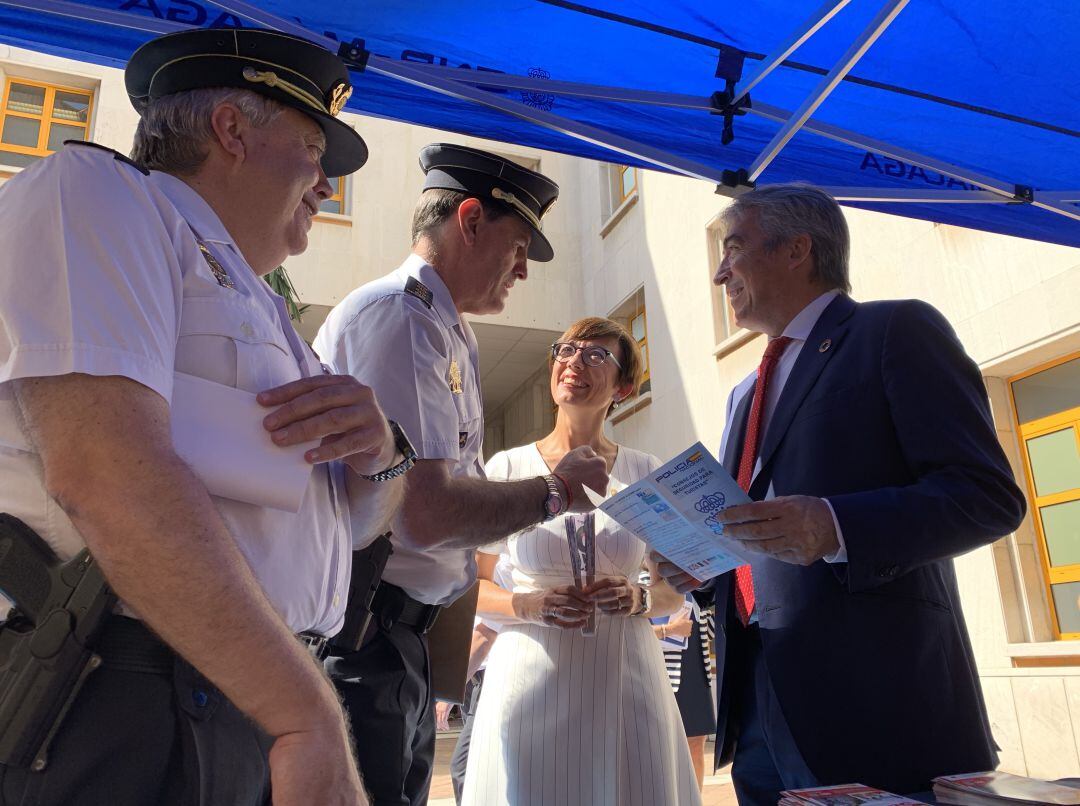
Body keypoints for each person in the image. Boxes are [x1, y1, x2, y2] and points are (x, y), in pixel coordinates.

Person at [0, 28, 399, 806]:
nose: (324, 183)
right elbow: (105, 472)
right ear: (231, 130)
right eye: (313, 148)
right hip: (118, 688)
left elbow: (351, 527)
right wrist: (304, 717)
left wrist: (380, 455)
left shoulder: (272, 310)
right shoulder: (96, 193)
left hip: (242, 693)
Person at [653, 184, 1027, 803]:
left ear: (798, 249)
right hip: (754, 703)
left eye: (734, 249)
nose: (720, 273)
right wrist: (701, 563)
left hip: (877, 702)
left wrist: (835, 525)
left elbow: (987, 496)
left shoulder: (896, 330)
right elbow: (755, 533)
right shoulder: (743, 394)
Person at [314, 144, 609, 806]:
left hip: (400, 640)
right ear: (470, 220)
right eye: (519, 246)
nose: (524, 270)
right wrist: (556, 490)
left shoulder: (444, 328)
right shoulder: (400, 319)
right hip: (366, 639)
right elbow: (426, 511)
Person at [460, 316, 701, 806]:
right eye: (566, 351)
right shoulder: (506, 468)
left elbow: (674, 584)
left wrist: (640, 597)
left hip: (627, 674)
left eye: (595, 355)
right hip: (529, 673)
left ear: (624, 386)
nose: (574, 362)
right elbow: (472, 586)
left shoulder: (646, 472)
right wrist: (530, 605)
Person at [652, 592, 716, 793]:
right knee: (660, 748)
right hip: (661, 674)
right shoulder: (641, 582)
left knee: (696, 743)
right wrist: (668, 630)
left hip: (695, 671)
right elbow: (629, 631)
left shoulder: (694, 589)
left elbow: (710, 631)